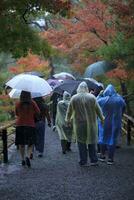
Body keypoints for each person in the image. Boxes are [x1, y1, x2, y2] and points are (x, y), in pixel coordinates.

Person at [65, 82, 104, 166]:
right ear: (87, 88)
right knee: (92, 140)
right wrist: (102, 119)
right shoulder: (92, 97)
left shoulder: (74, 98)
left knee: (81, 142)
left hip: (79, 124)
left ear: (78, 88)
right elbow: (98, 110)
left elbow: (69, 111)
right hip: (91, 123)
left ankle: (83, 161)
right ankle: (94, 160)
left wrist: (67, 120)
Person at [97, 84, 126, 165]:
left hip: (103, 122)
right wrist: (120, 115)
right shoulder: (119, 99)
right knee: (112, 139)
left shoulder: (102, 100)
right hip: (115, 122)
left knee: (102, 137)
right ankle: (110, 159)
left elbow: (95, 103)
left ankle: (102, 156)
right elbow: (124, 107)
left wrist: (99, 95)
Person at [15, 91, 40, 167]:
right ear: (29, 95)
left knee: (21, 143)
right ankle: (27, 156)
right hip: (30, 125)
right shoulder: (32, 102)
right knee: (31, 143)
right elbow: (38, 112)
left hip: (20, 124)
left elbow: (16, 113)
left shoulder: (18, 103)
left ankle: (22, 159)